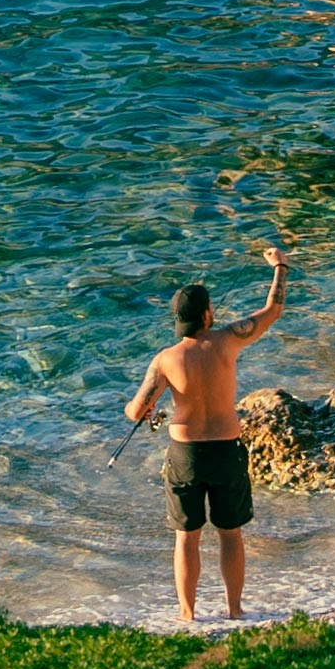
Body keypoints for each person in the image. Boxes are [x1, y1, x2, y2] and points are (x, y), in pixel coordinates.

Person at [128, 238, 288, 626]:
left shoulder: (165, 360)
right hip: (225, 450)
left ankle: (187, 615)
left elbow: (135, 411)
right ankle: (234, 611)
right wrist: (279, 267)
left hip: (185, 456)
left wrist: (148, 411)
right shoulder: (228, 340)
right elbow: (273, 310)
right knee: (230, 533)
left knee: (187, 537)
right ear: (207, 315)